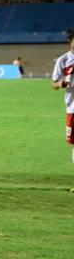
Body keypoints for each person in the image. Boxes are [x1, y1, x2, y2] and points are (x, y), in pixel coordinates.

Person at [51, 28, 74, 190]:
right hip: (72, 108)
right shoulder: (63, 60)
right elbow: (55, 84)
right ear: (70, 42)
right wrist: (63, 84)